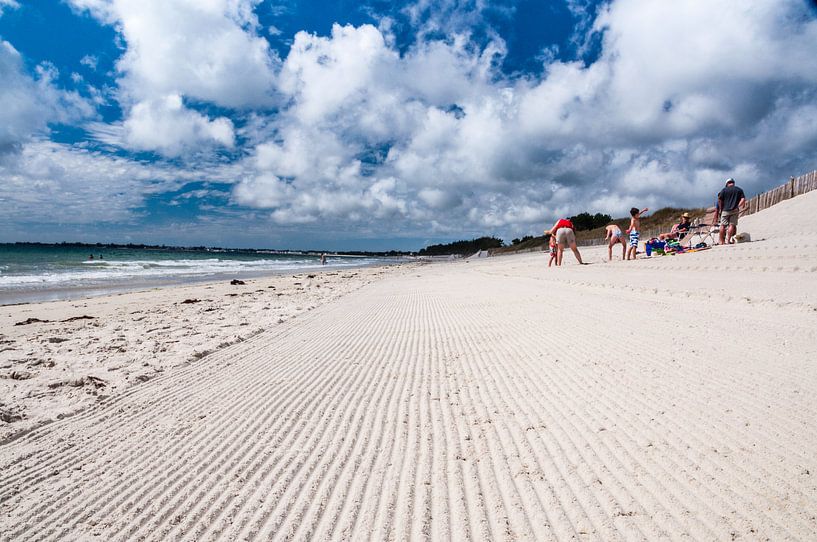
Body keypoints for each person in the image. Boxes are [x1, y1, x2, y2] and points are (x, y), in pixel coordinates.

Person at [717, 178, 746, 245]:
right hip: (735, 209)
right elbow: (743, 199)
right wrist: (738, 206)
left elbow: (719, 200)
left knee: (723, 225)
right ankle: (728, 240)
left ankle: (721, 241)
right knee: (731, 225)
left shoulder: (724, 190)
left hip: (725, 210)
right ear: (733, 183)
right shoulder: (739, 189)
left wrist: (721, 209)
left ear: (727, 183)